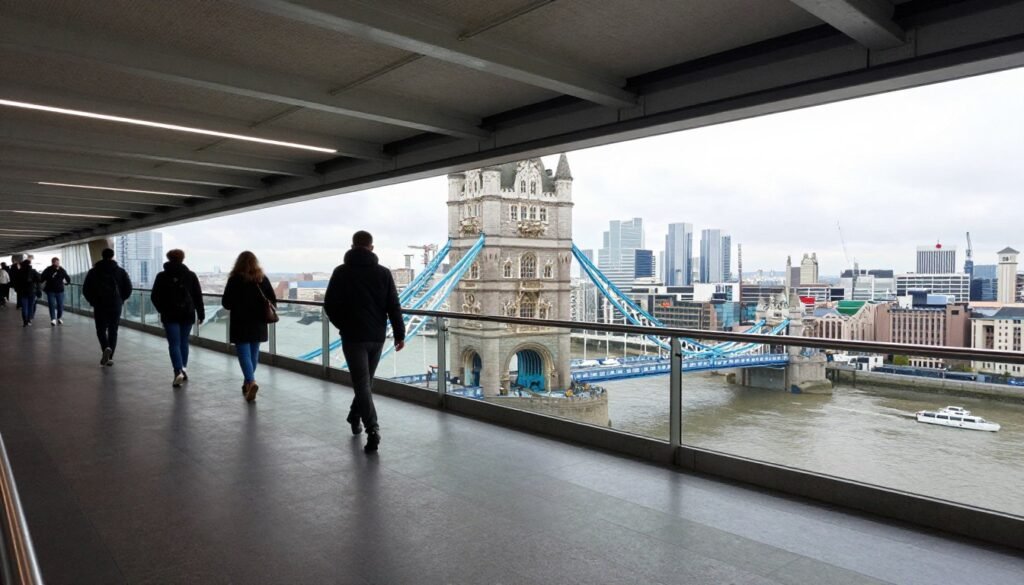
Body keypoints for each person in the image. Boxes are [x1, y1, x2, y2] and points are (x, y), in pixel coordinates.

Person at [324, 230, 405, 453]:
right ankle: (364, 423)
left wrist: (343, 324)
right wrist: (400, 334)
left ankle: (367, 426)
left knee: (362, 383)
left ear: (352, 246)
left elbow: (329, 305)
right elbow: (393, 306)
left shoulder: (341, 272)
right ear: (372, 247)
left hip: (352, 337)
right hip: (376, 336)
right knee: (365, 383)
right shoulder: (383, 273)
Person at [221, 251, 276, 402]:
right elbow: (272, 299)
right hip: (258, 322)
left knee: (244, 354)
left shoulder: (234, 280)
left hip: (240, 322)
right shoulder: (262, 279)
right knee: (253, 354)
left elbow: (226, 303)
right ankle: (248, 383)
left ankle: (251, 382)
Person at [150, 249, 205, 388]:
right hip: (187, 314)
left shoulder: (162, 276)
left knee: (174, 344)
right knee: (183, 342)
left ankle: (177, 371)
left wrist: (162, 310)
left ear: (168, 258)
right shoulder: (190, 275)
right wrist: (201, 314)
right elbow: (197, 296)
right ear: (182, 258)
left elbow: (154, 296)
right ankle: (183, 369)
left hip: (169, 315)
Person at [82, 248, 133, 366]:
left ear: (102, 256)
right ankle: (110, 357)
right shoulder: (120, 271)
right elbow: (129, 288)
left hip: (100, 304)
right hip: (115, 304)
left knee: (100, 329)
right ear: (113, 256)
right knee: (113, 330)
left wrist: (93, 301)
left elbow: (86, 289)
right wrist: (121, 300)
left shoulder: (93, 271)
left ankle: (105, 348)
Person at [40, 257, 71, 326]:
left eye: (58, 262)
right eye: (56, 262)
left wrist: (67, 283)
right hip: (50, 291)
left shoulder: (62, 270)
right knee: (51, 305)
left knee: (60, 305)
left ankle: (59, 317)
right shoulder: (48, 269)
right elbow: (42, 278)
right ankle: (53, 319)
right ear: (53, 262)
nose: (58, 264)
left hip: (60, 291)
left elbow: (68, 278)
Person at [12, 259, 41, 327]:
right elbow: (39, 280)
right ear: (29, 264)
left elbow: (15, 282)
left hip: (22, 292)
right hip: (32, 291)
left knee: (24, 306)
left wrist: (17, 290)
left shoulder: (19, 272)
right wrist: (38, 289)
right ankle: (29, 320)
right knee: (31, 306)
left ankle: (25, 320)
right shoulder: (33, 271)